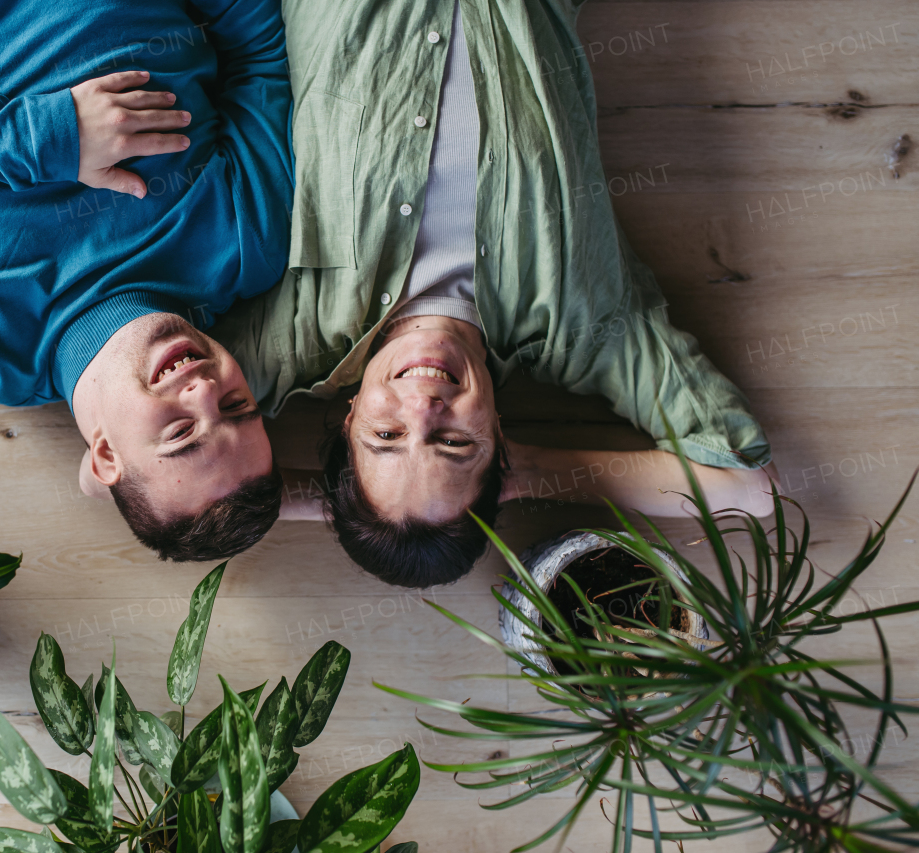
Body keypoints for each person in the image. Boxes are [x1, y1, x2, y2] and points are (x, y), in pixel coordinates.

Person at [215, 0, 777, 587]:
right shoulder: (578, 325)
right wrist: (529, 472)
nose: (424, 405)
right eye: (455, 442)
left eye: (386, 436)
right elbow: (747, 486)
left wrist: (332, 503)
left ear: (350, 416)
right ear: (498, 442)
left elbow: (121, 466)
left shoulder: (300, 331)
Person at [0, 0, 294, 561]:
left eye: (182, 434)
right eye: (238, 406)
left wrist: (52, 135)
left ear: (106, 458)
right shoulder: (250, 247)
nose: (207, 391)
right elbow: (257, 55)